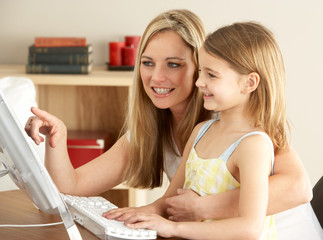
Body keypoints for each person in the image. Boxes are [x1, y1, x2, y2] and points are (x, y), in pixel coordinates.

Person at [25, 9, 311, 225]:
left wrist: (201, 208)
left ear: (201, 67)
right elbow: (70, 188)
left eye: (173, 64)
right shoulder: (152, 128)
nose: (156, 77)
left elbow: (298, 187)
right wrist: (56, 138)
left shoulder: (235, 119)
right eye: (148, 63)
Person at [105, 21, 321, 239]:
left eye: (211, 75)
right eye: (200, 72)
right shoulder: (201, 131)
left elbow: (249, 229)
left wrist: (173, 228)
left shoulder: (253, 146)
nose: (199, 82)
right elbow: (170, 203)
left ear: (249, 83)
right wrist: (140, 216)